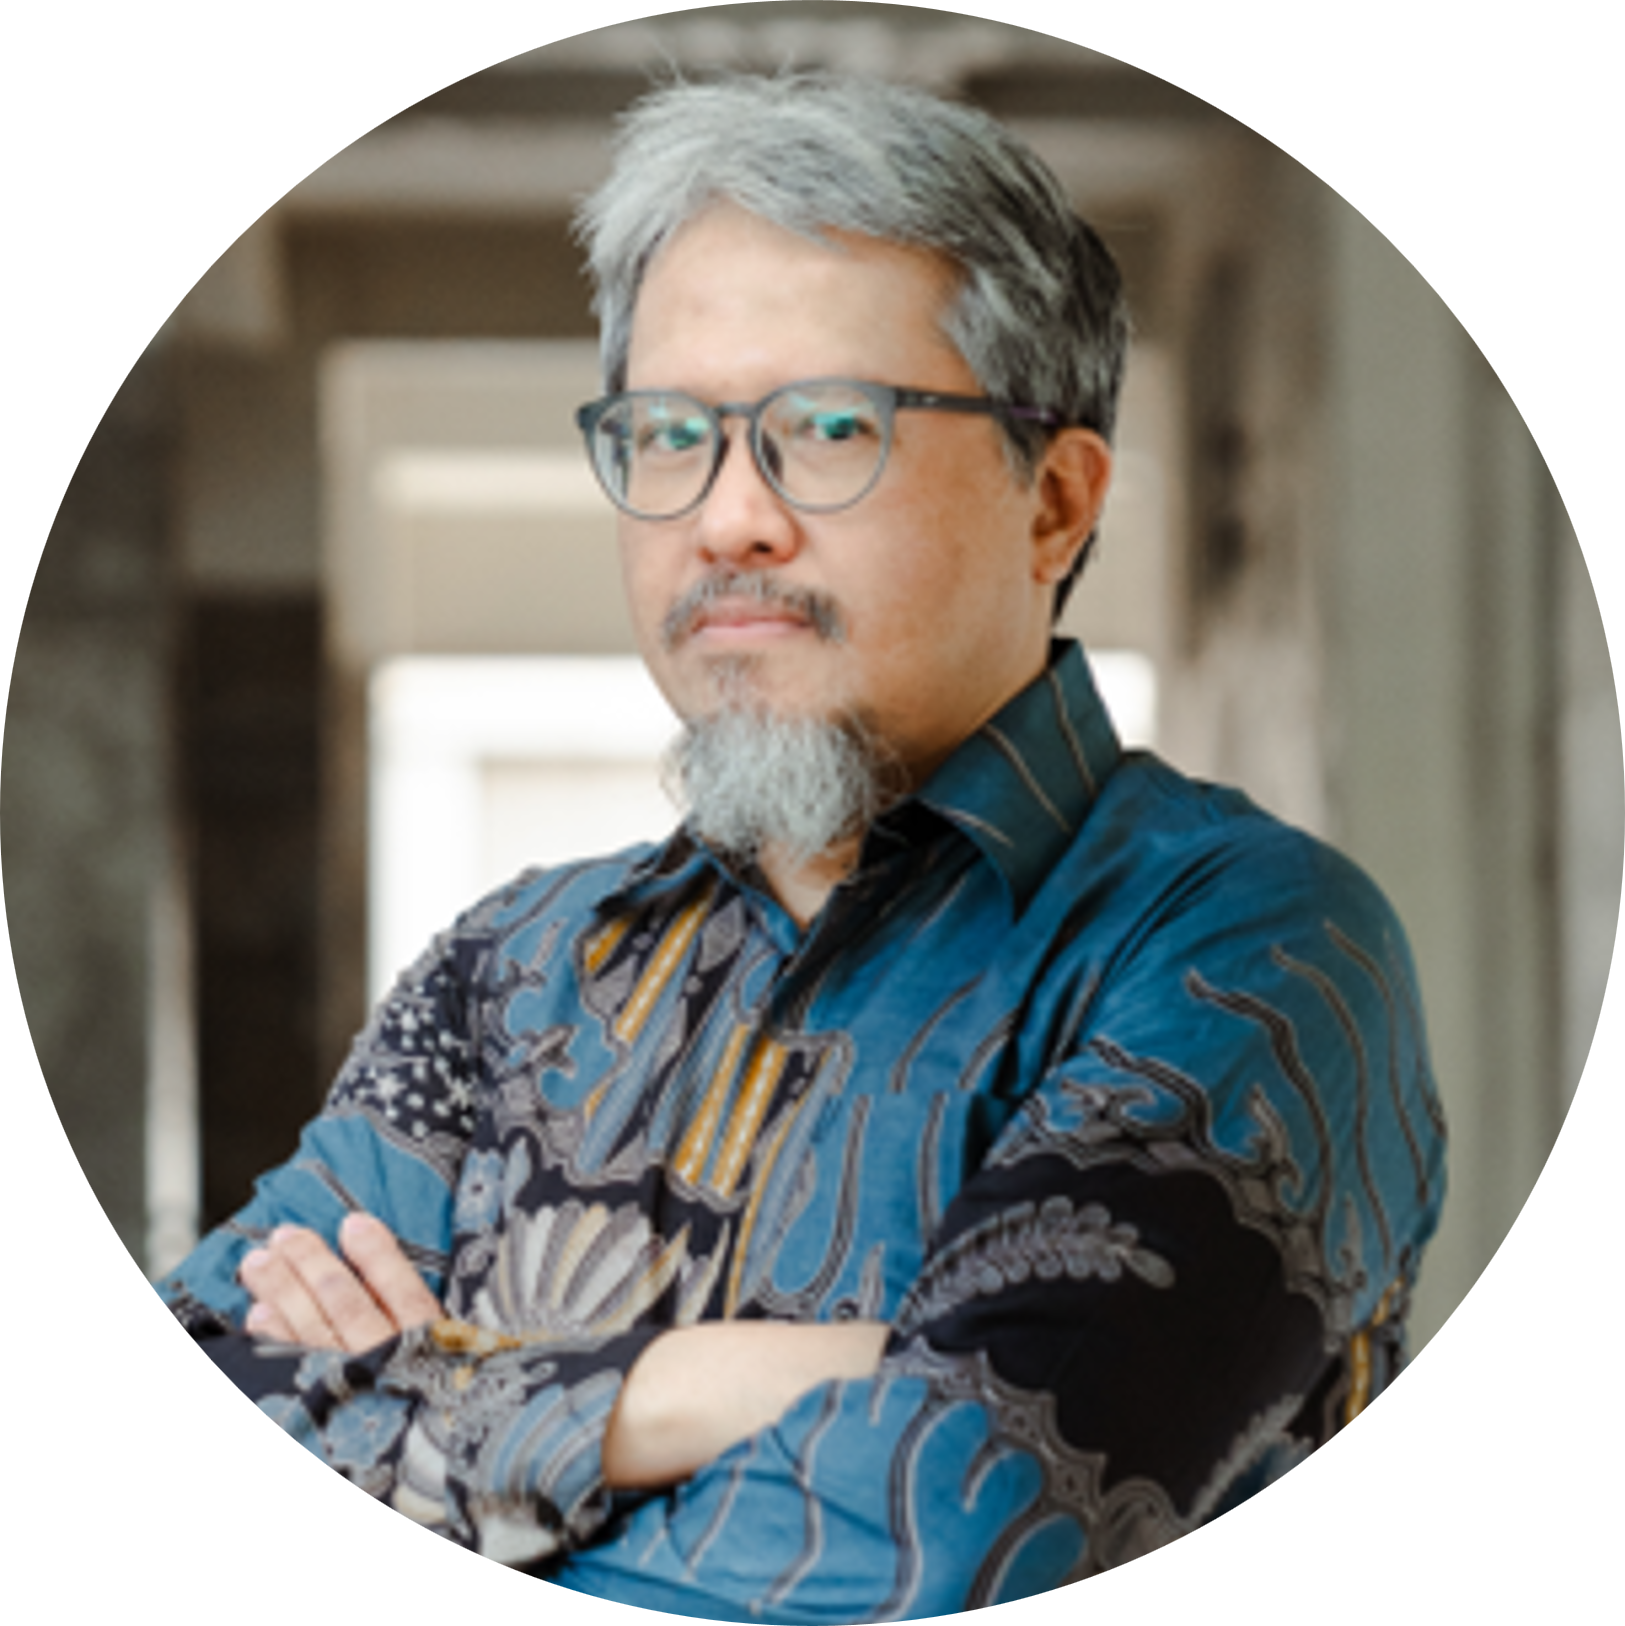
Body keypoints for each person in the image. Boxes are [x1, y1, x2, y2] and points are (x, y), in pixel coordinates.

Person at [158, 71, 1445, 1613]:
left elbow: (961, 1530)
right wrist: (689, 1389)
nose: (727, 520)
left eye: (828, 428)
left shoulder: (1247, 946)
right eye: (668, 434)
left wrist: (442, 1389)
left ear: (1054, 501)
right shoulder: (513, 974)